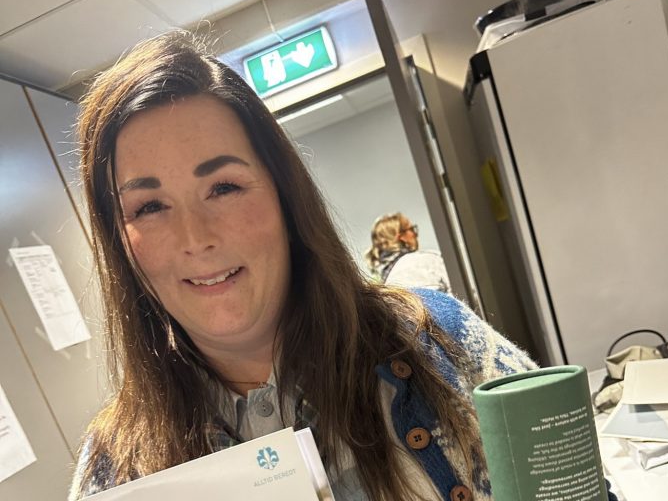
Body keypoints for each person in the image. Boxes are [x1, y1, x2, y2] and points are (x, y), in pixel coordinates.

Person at [66, 30, 610, 501]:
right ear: (120, 242)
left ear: (285, 196)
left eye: (224, 187)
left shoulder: (438, 341)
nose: (196, 238)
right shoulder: (115, 465)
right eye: (149, 207)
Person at [366, 213, 451, 293]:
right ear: (402, 237)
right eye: (412, 229)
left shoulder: (382, 284)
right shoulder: (423, 261)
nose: (416, 234)